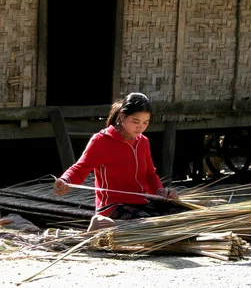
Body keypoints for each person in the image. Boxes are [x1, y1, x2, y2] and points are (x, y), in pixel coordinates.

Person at [54, 92, 182, 230]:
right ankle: (103, 224)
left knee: (180, 216)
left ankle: (117, 227)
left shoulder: (143, 142)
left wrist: (160, 192)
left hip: (141, 203)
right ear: (122, 116)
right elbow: (81, 168)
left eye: (146, 122)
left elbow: (150, 175)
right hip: (113, 206)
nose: (141, 127)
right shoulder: (102, 141)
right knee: (148, 225)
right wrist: (66, 180)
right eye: (135, 121)